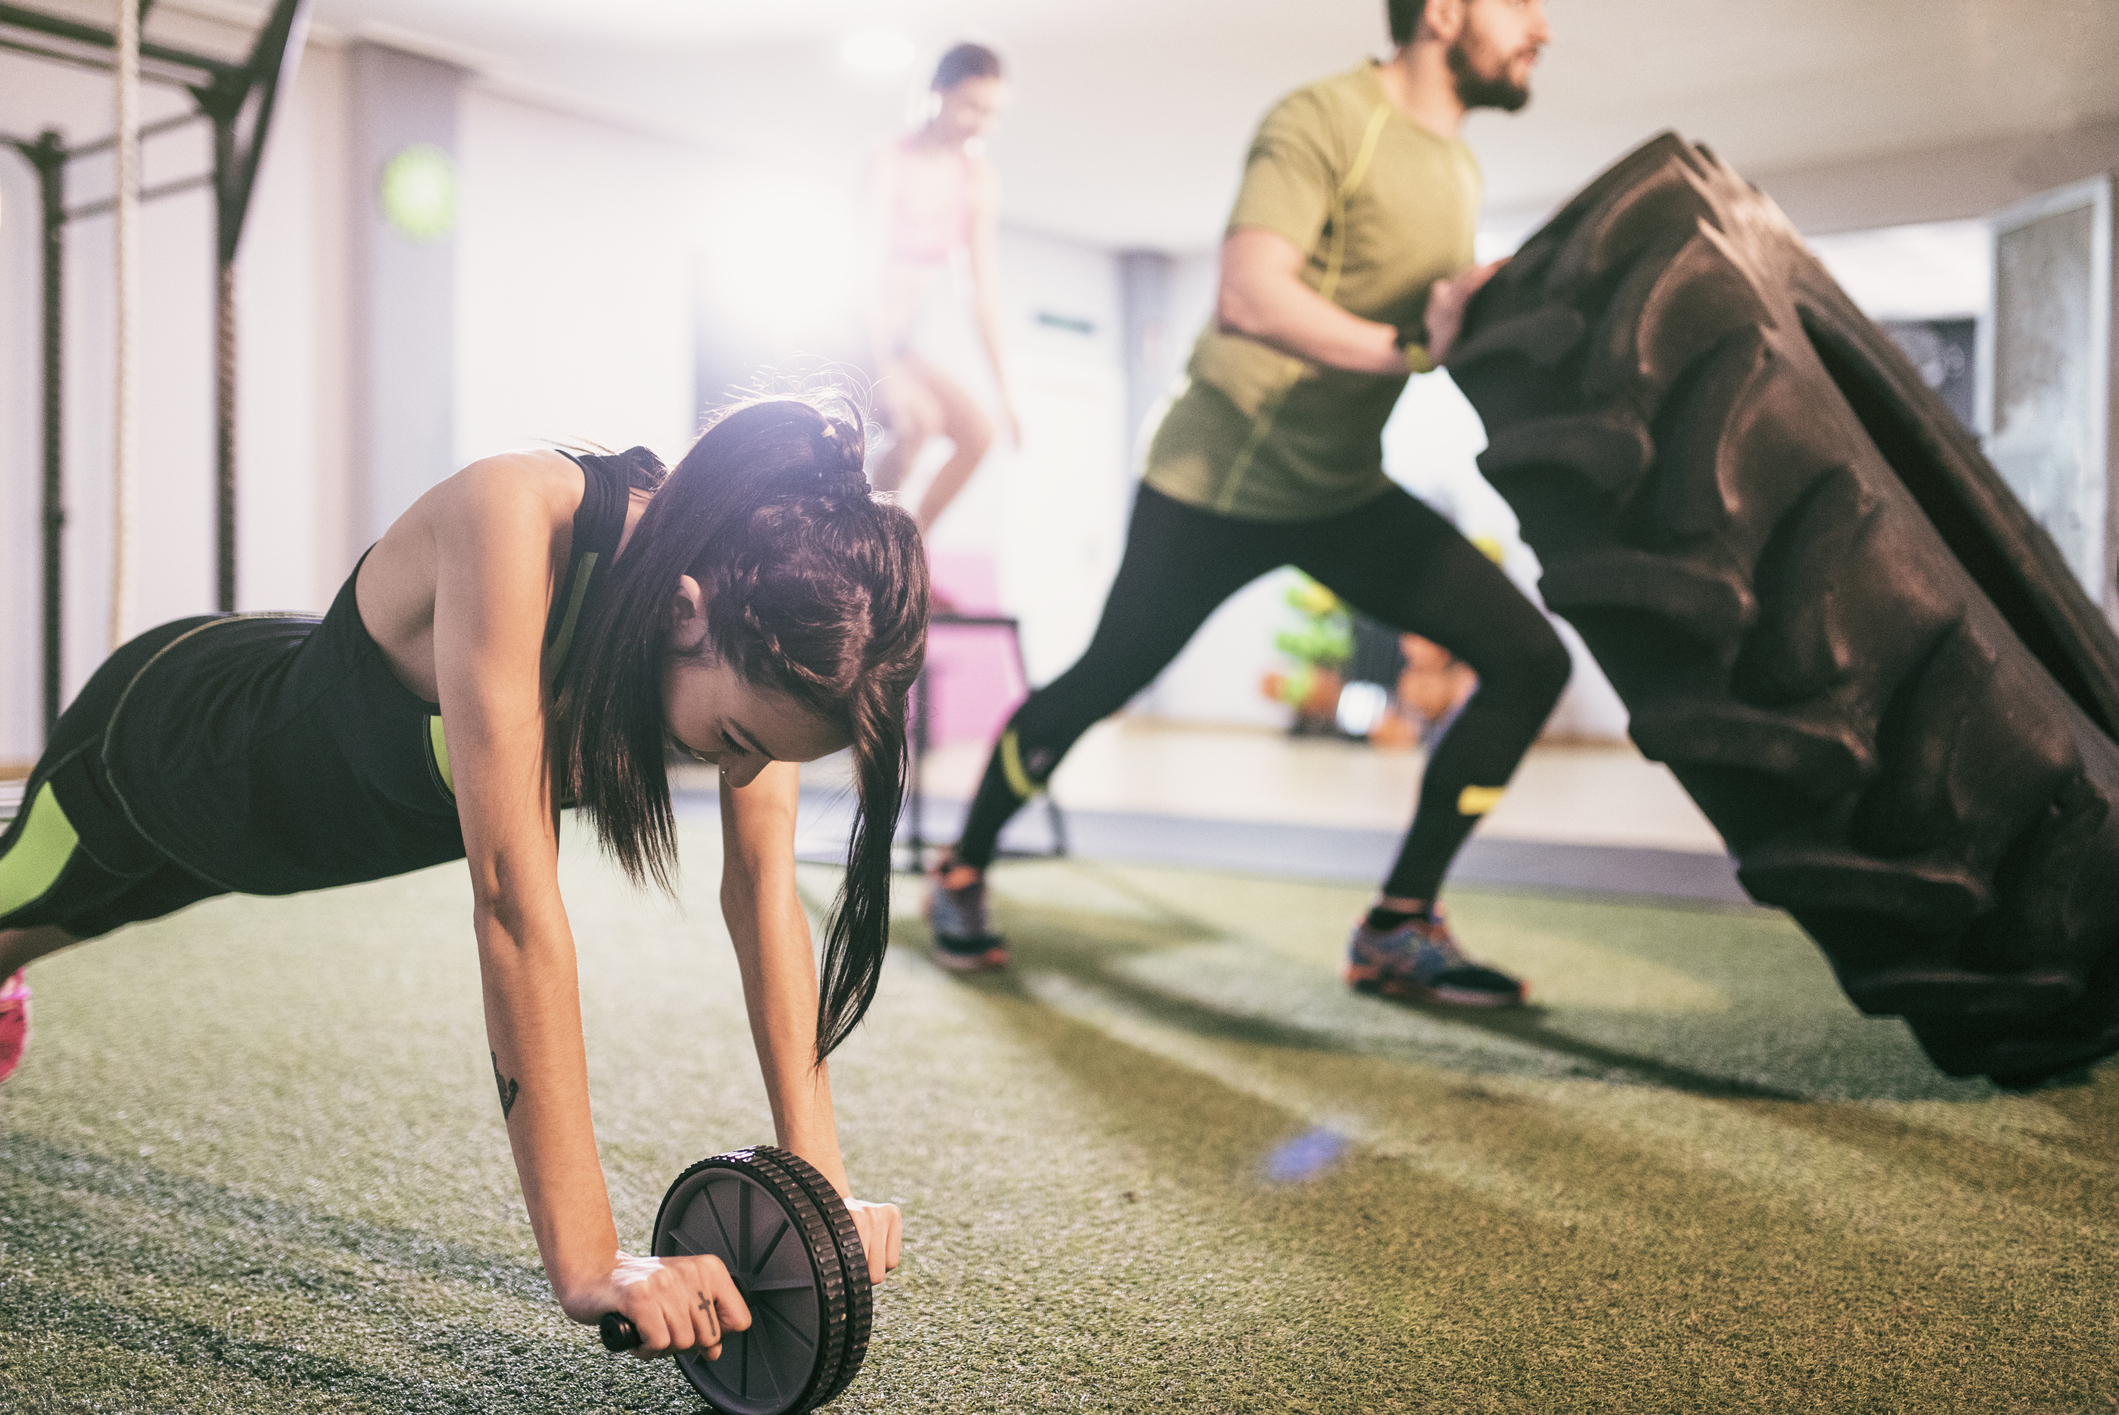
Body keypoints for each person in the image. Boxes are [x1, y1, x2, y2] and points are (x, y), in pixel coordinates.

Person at [0, 394, 922, 1359]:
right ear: (684, 612)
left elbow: (764, 896)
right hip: (169, 746)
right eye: (735, 742)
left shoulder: (757, 608)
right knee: (35, 896)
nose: (740, 774)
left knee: (102, 910)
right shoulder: (518, 522)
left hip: (275, 847)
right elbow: (516, 909)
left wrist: (822, 1192)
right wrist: (591, 1259)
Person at [925, 0, 1570, 1006]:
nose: (1541, 27)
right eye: (1519, 3)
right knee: (1104, 677)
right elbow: (1250, 294)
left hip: (1340, 489)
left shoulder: (1459, 168)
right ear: (1443, 12)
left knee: (1531, 659)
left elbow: (1431, 329)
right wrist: (1413, 349)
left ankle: (1398, 927)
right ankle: (960, 867)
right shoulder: (1322, 118)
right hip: (1213, 485)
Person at [864, 41, 1022, 540]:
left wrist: (1006, 395)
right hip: (856, 330)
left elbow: (982, 293)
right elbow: (861, 273)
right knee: (919, 421)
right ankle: (867, 541)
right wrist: (884, 367)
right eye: (972, 105)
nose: (981, 123)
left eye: (992, 112)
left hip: (902, 341)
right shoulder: (888, 160)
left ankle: (912, 549)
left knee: (979, 434)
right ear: (938, 92)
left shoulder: (976, 179)